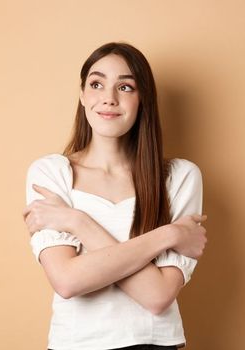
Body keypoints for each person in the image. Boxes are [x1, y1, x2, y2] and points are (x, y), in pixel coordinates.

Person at [21, 42, 208, 350]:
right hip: (75, 344)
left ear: (143, 99)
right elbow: (67, 281)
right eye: (96, 84)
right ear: (82, 95)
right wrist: (171, 234)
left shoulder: (180, 177)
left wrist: (76, 222)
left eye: (125, 87)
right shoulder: (51, 172)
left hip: (156, 344)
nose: (108, 98)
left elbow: (158, 296)